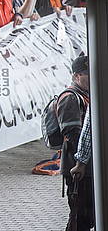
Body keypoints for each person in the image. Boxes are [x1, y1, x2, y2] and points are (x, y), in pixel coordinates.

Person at [57, 55, 93, 231]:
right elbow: (73, 136)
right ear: (76, 76)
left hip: (86, 167)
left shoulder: (87, 96)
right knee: (79, 218)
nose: (91, 77)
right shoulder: (70, 98)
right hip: (77, 168)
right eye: (87, 74)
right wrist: (83, 160)